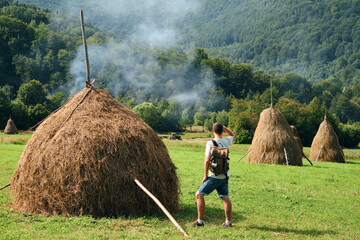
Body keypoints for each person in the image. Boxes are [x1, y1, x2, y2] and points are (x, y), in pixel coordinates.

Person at [192, 123, 235, 227]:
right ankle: (228, 222)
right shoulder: (227, 141)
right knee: (225, 197)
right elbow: (232, 134)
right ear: (222, 131)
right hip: (224, 175)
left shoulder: (210, 143)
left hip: (214, 176)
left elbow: (207, 160)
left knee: (199, 195)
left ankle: (200, 221)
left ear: (213, 131)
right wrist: (224, 127)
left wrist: (205, 175)